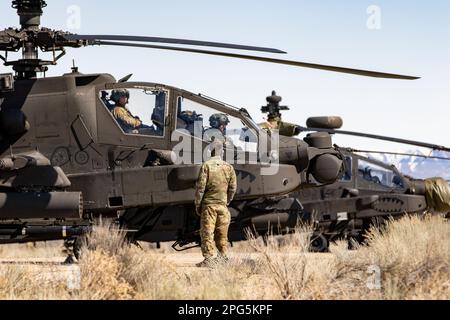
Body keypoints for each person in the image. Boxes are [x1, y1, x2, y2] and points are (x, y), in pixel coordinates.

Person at [194, 140, 237, 268]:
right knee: (222, 233)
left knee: (207, 232)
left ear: (210, 151)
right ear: (222, 152)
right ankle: (223, 258)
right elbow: (233, 188)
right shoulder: (228, 167)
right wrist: (226, 201)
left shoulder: (206, 166)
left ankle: (208, 259)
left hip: (209, 206)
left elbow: (200, 188)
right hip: (223, 207)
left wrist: (198, 204)